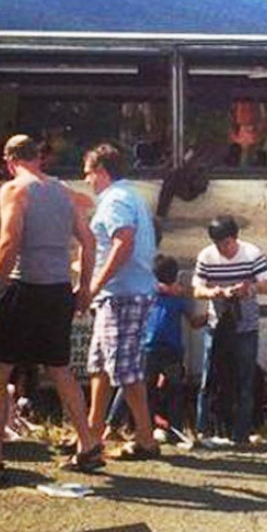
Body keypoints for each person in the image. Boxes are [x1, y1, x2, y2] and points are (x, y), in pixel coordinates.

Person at [0, 134, 101, 476]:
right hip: (59, 289)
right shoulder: (64, 192)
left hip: (24, 287)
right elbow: (88, 243)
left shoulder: (14, 190)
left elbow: (9, 242)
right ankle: (89, 445)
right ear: (39, 158)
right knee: (60, 368)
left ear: (9, 161)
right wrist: (84, 288)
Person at [82, 142, 160, 460]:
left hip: (122, 293)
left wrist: (94, 283)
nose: (86, 180)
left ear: (101, 171)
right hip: (119, 293)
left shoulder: (114, 200)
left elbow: (122, 242)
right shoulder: (130, 195)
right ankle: (90, 434)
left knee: (125, 371)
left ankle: (145, 439)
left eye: (87, 173)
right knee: (99, 366)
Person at [193, 215, 267, 445]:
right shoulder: (206, 256)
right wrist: (213, 293)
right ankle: (203, 432)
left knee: (245, 380)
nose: (222, 248)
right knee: (208, 379)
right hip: (216, 325)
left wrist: (249, 288)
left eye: (226, 243)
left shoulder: (251, 253)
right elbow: (197, 288)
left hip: (245, 326)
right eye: (218, 244)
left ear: (235, 239)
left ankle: (241, 434)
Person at [105, 254, 206, 442]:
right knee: (174, 390)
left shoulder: (148, 293)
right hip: (172, 350)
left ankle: (113, 424)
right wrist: (209, 317)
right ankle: (175, 430)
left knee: (132, 386)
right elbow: (194, 322)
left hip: (148, 348)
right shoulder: (178, 299)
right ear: (175, 276)